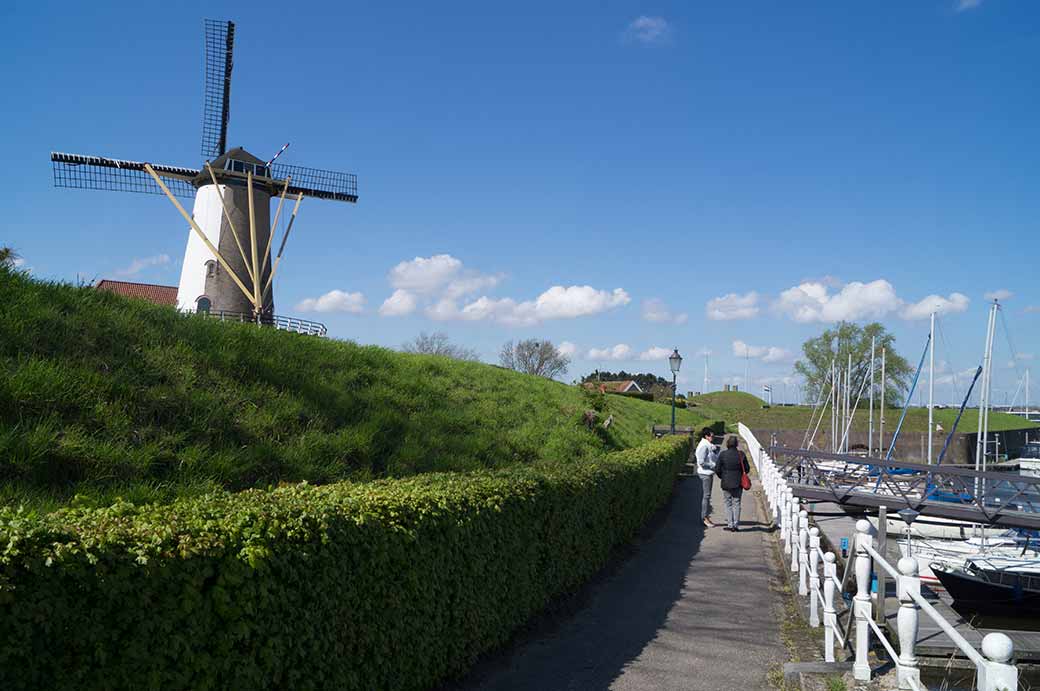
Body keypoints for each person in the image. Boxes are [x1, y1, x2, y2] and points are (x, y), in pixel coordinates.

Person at [715, 435, 751, 532]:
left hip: (726, 482)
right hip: (738, 483)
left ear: (727, 444)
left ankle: (730, 524)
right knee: (737, 503)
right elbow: (747, 469)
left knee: (728, 503)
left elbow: (717, 469)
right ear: (737, 444)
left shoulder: (723, 454)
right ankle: (736, 525)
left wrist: (722, 476)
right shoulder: (741, 454)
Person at [693, 427, 719, 527]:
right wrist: (714, 465)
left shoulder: (707, 445)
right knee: (706, 496)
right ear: (706, 436)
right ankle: (704, 518)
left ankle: (706, 517)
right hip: (705, 474)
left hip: (707, 473)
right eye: (711, 436)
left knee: (707, 496)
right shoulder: (704, 446)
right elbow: (701, 462)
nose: (713, 437)